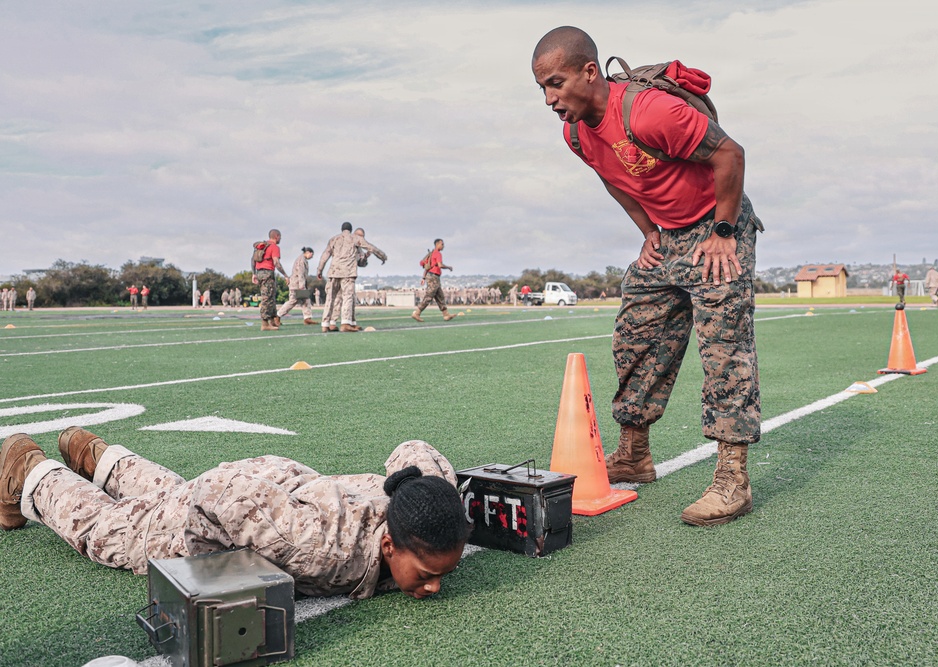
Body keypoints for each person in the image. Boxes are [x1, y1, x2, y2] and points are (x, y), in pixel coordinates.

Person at [532, 27, 765, 526]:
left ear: (588, 72)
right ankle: (634, 454)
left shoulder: (649, 112)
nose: (549, 99)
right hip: (669, 236)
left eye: (555, 84)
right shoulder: (576, 133)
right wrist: (648, 231)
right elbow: (612, 177)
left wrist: (724, 231)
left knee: (724, 348)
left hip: (715, 227)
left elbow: (730, 154)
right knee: (635, 335)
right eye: (542, 89)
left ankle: (733, 479)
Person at [1, 428, 470, 600]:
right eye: (427, 573)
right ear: (388, 544)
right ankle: (29, 471)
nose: (435, 586)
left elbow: (414, 450)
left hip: (277, 490)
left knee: (171, 495)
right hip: (244, 497)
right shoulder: (321, 550)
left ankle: (96, 457)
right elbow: (220, 493)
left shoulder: (422, 504)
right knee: (113, 535)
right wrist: (207, 571)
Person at [316, 222, 387, 333]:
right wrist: (383, 256)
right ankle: (345, 323)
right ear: (351, 230)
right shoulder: (355, 239)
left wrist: (319, 270)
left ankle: (325, 324)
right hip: (348, 273)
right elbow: (372, 247)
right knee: (347, 297)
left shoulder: (333, 239)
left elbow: (325, 256)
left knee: (330, 298)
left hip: (334, 272)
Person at [253, 229, 289, 331]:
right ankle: (265, 323)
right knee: (267, 298)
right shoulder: (274, 247)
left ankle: (272, 320)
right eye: (280, 237)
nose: (280, 239)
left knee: (271, 296)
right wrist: (285, 275)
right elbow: (276, 263)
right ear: (277, 236)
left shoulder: (262, 246)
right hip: (268, 273)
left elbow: (253, 260)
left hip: (259, 273)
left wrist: (254, 273)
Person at [412, 239, 455, 322]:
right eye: (442, 244)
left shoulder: (431, 254)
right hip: (434, 277)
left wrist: (423, 278)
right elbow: (440, 265)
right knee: (429, 296)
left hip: (432, 276)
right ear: (437, 244)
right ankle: (417, 313)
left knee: (440, 296)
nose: (443, 246)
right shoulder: (438, 254)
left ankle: (446, 315)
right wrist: (448, 267)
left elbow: (427, 267)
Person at [277, 247, 319, 325]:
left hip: (298, 284)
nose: (312, 257)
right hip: (296, 284)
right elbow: (301, 274)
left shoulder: (303, 260)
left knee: (306, 300)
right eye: (312, 254)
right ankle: (278, 315)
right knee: (293, 301)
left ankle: (307, 318)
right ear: (308, 252)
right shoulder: (301, 260)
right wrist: (302, 286)